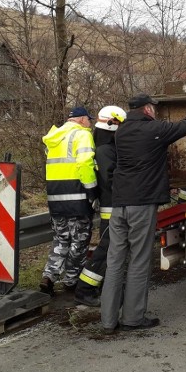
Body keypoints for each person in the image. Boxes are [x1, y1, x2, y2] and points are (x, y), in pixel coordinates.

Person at [100, 86, 186, 333]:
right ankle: (133, 319)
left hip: (119, 205)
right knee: (139, 260)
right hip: (141, 204)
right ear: (148, 109)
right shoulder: (154, 130)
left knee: (115, 261)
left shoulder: (121, 131)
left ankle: (108, 321)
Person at [39, 105, 97, 296]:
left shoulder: (54, 138)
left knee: (61, 238)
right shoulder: (82, 135)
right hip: (77, 198)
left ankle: (49, 275)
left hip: (55, 198)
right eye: (89, 120)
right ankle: (71, 280)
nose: (90, 124)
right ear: (81, 119)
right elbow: (85, 164)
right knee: (79, 241)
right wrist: (92, 191)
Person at [73, 105, 127, 307]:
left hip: (113, 208)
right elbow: (110, 179)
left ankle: (104, 288)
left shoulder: (106, 147)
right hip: (111, 209)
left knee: (112, 250)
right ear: (114, 124)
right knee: (106, 250)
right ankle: (85, 289)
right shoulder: (105, 150)